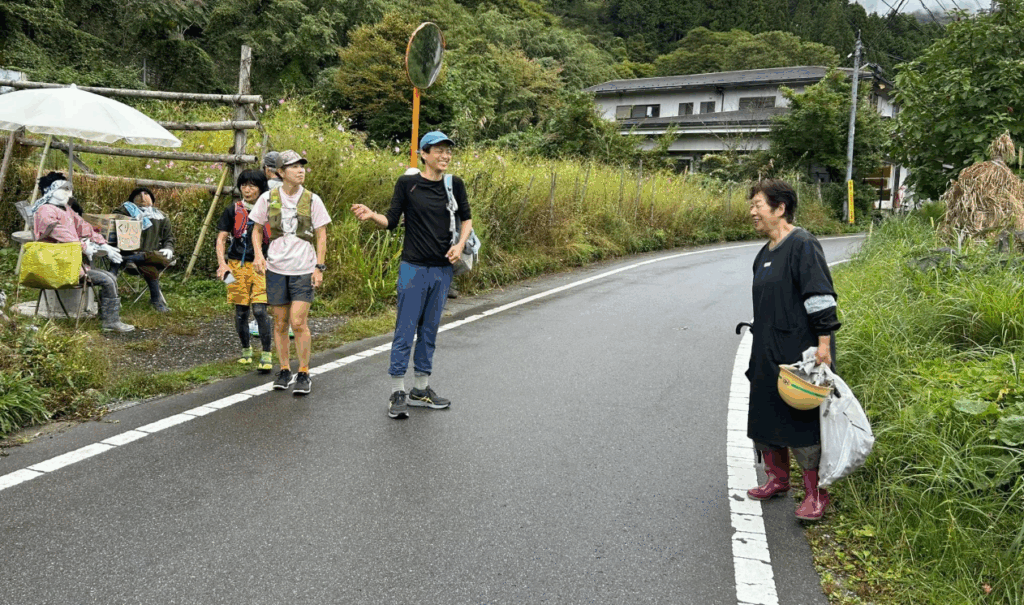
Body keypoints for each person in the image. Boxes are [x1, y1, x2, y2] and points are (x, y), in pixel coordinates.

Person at [351, 131, 473, 420]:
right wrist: (372, 215)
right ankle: (397, 391)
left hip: (442, 270)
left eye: (448, 151)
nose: (445, 155)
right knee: (405, 331)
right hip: (413, 268)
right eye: (438, 150)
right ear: (424, 154)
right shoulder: (407, 184)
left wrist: (458, 246)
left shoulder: (454, 184)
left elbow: (466, 219)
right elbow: (392, 220)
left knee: (429, 330)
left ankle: (420, 389)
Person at [744, 179, 841, 522]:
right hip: (766, 349)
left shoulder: (802, 244)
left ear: (780, 208)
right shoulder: (764, 253)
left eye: (758, 204)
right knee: (765, 414)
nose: (752, 212)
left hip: (800, 351)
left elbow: (820, 297)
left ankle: (816, 494)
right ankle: (778, 479)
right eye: (752, 205)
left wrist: (824, 345)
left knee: (803, 423)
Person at [249, 150, 331, 395]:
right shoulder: (268, 198)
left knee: (298, 322)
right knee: (280, 323)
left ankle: (304, 371)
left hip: (303, 269)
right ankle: (284, 369)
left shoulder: (312, 200)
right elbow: (256, 230)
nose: (300, 170)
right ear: (281, 172)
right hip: (276, 268)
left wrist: (319, 267)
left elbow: (321, 235)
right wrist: (258, 255)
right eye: (294, 167)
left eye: (301, 166)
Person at [30, 172, 134, 332]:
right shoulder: (45, 211)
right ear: (48, 190)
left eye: (69, 189)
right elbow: (63, 235)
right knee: (108, 279)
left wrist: (104, 244)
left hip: (69, 263)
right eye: (63, 189)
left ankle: (108, 318)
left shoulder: (65, 209)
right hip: (55, 266)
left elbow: (84, 227)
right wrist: (85, 246)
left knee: (110, 278)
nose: (69, 194)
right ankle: (110, 321)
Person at [215, 169, 274, 373]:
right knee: (240, 311)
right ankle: (246, 350)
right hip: (234, 266)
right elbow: (221, 238)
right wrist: (222, 264)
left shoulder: (270, 210)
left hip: (262, 267)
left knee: (259, 310)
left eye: (252, 186)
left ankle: (266, 353)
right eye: (244, 185)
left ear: (261, 188)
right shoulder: (232, 210)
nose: (247, 190)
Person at [111, 187, 175, 312]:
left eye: (146, 194)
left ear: (152, 199)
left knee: (163, 258)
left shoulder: (161, 217)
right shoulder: (126, 212)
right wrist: (127, 208)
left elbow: (169, 238)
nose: (142, 196)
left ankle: (127, 259)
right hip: (132, 254)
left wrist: (169, 248)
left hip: (149, 255)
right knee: (151, 268)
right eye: (138, 194)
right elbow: (113, 217)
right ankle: (157, 301)